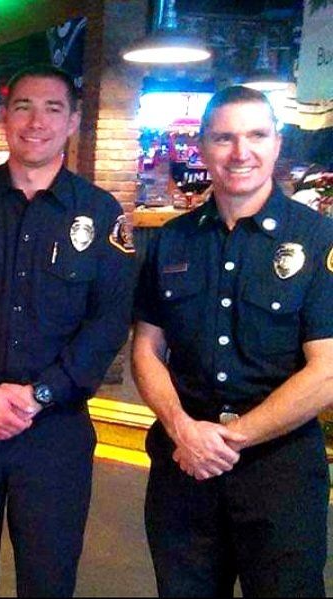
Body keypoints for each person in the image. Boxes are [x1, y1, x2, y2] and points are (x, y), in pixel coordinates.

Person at [0, 64, 136, 597]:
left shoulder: (101, 213)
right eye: (23, 107)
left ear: (73, 122)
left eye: (52, 108)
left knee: (49, 579)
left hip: (55, 433)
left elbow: (107, 324)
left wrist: (40, 394)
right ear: (4, 117)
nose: (36, 121)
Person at [132, 86, 332, 597]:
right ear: (202, 148)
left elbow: (327, 370)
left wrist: (228, 440)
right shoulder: (172, 239)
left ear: (277, 142)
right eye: (224, 138)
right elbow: (147, 349)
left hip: (279, 474)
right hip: (183, 470)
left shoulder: (318, 241)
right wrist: (182, 430)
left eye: (256, 135)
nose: (240, 153)